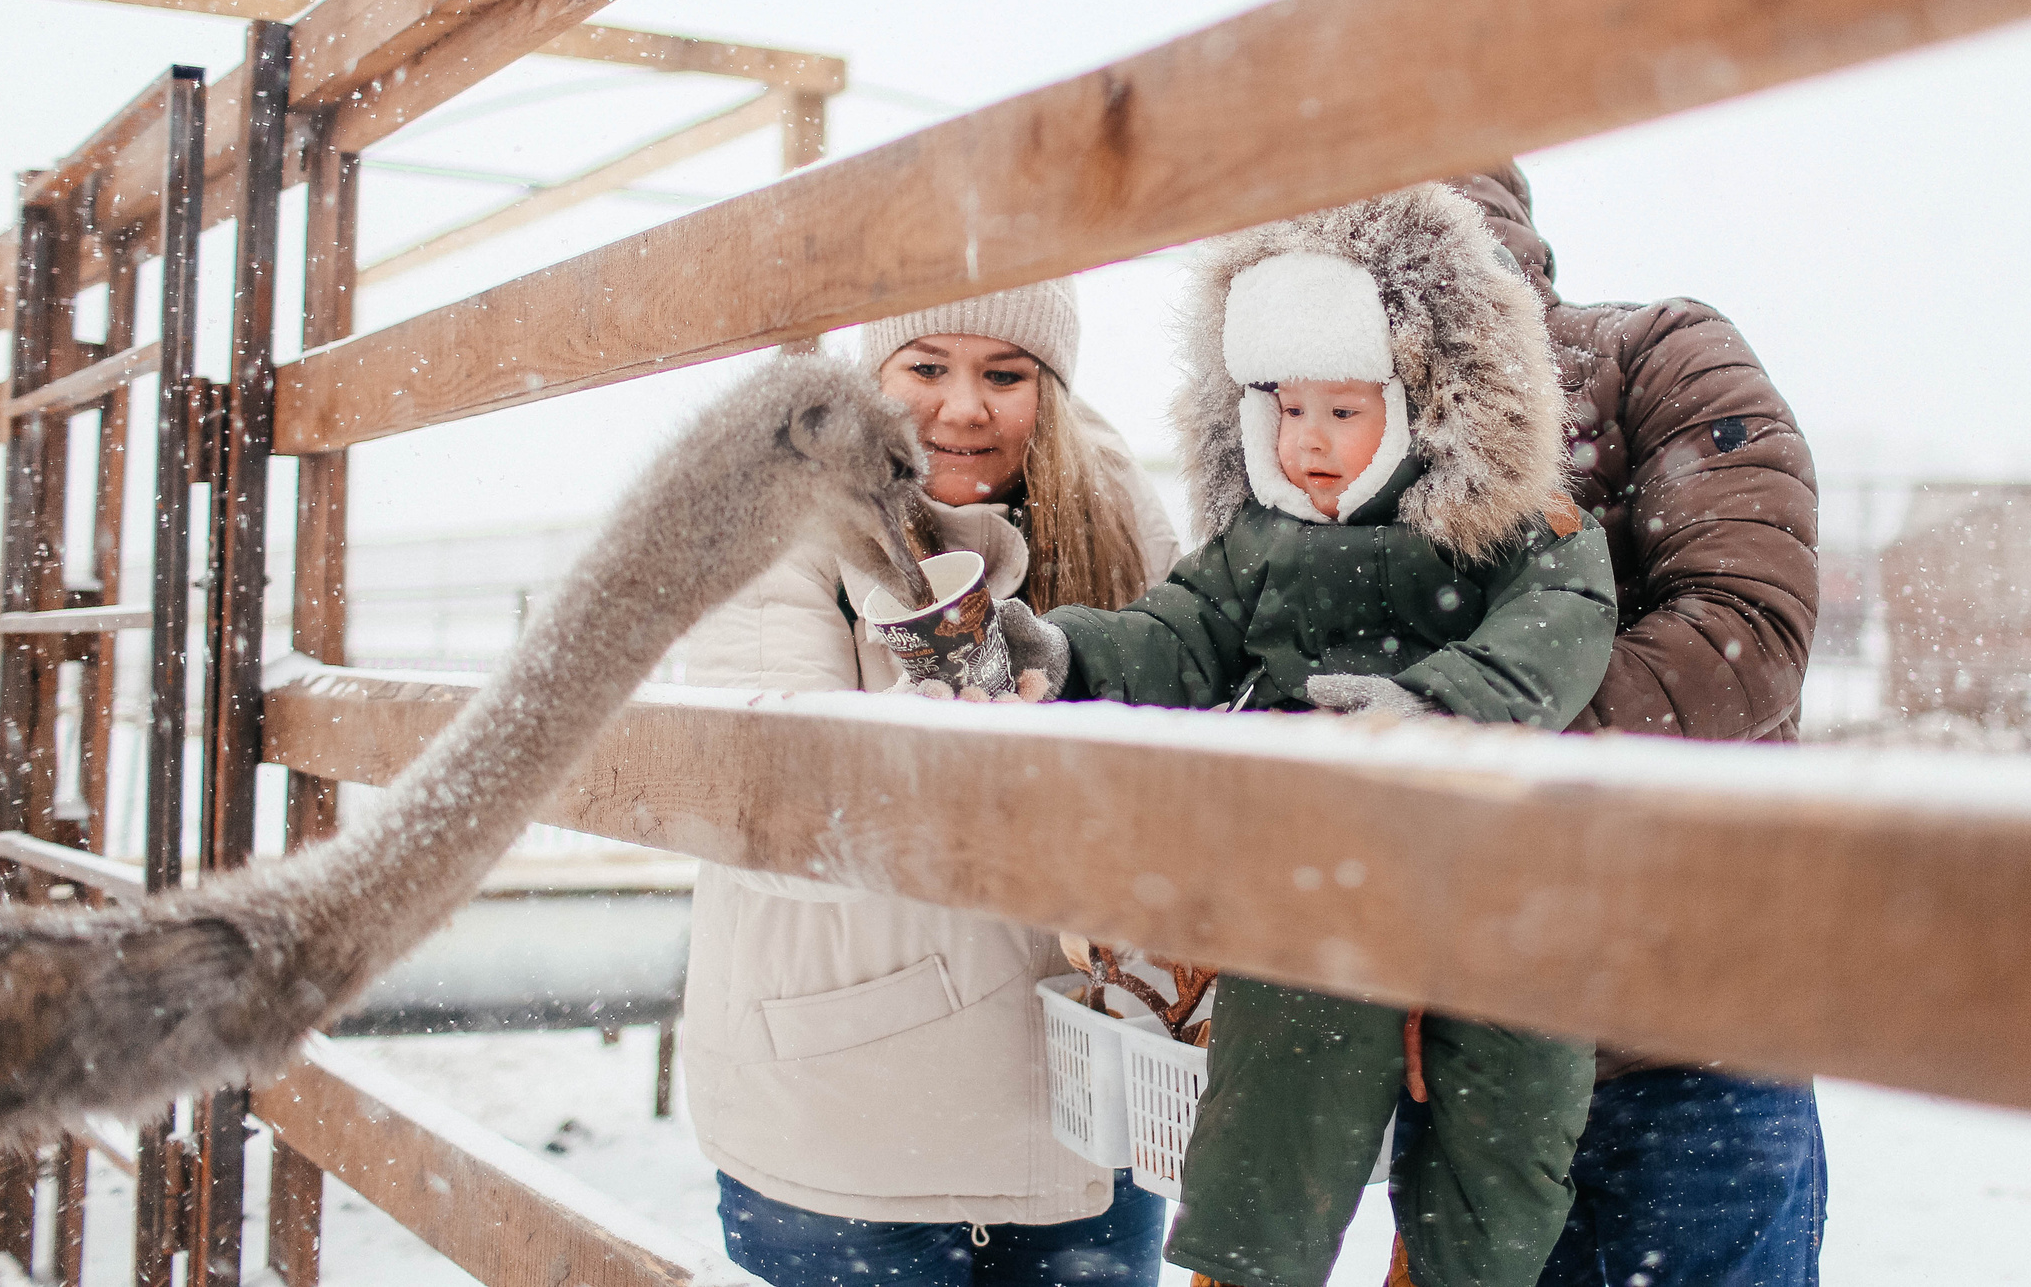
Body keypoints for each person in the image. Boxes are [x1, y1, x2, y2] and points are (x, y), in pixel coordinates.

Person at [1002, 185, 1619, 1287]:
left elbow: (1558, 632)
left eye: (1343, 409)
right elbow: (1176, 632)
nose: (1311, 440)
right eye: (1287, 408)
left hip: (1495, 866)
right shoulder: (1261, 544)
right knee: (1282, 1081)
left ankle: (1456, 1272)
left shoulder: (1520, 524)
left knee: (1512, 1104)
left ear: (1426, 404)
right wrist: (1069, 654)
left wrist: (1432, 704)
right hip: (1322, 861)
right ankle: (1245, 1269)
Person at [673, 282, 1183, 1287]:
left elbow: (1189, 733)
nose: (963, 407)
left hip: (1092, 1121)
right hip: (860, 1134)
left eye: (1006, 374)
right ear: (872, 376)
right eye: (926, 367)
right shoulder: (783, 513)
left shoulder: (1115, 513)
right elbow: (773, 817)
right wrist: (960, 757)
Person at [1449, 166, 1828, 1287]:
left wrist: (1456, 740)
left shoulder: (1658, 354)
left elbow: (1743, 635)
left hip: (1687, 1036)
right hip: (1472, 1054)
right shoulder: (1330, 440)